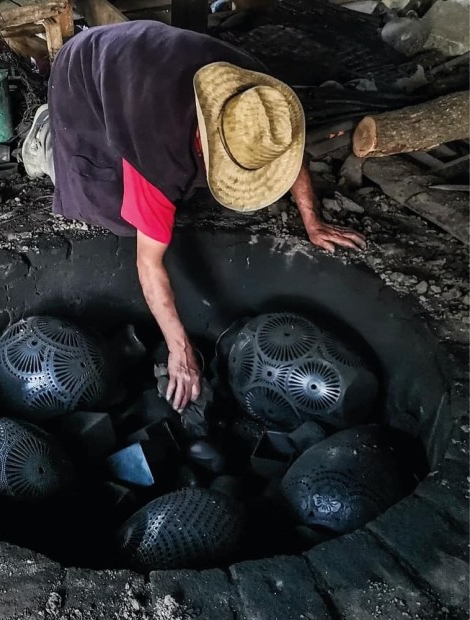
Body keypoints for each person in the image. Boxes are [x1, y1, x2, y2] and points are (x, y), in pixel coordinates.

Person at [21, 20, 366, 414]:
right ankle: (44, 138)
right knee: (108, 204)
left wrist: (312, 221)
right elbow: (148, 264)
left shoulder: (260, 100)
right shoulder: (155, 141)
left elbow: (287, 152)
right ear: (204, 140)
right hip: (86, 66)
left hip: (147, 63)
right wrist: (180, 351)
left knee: (174, 190)